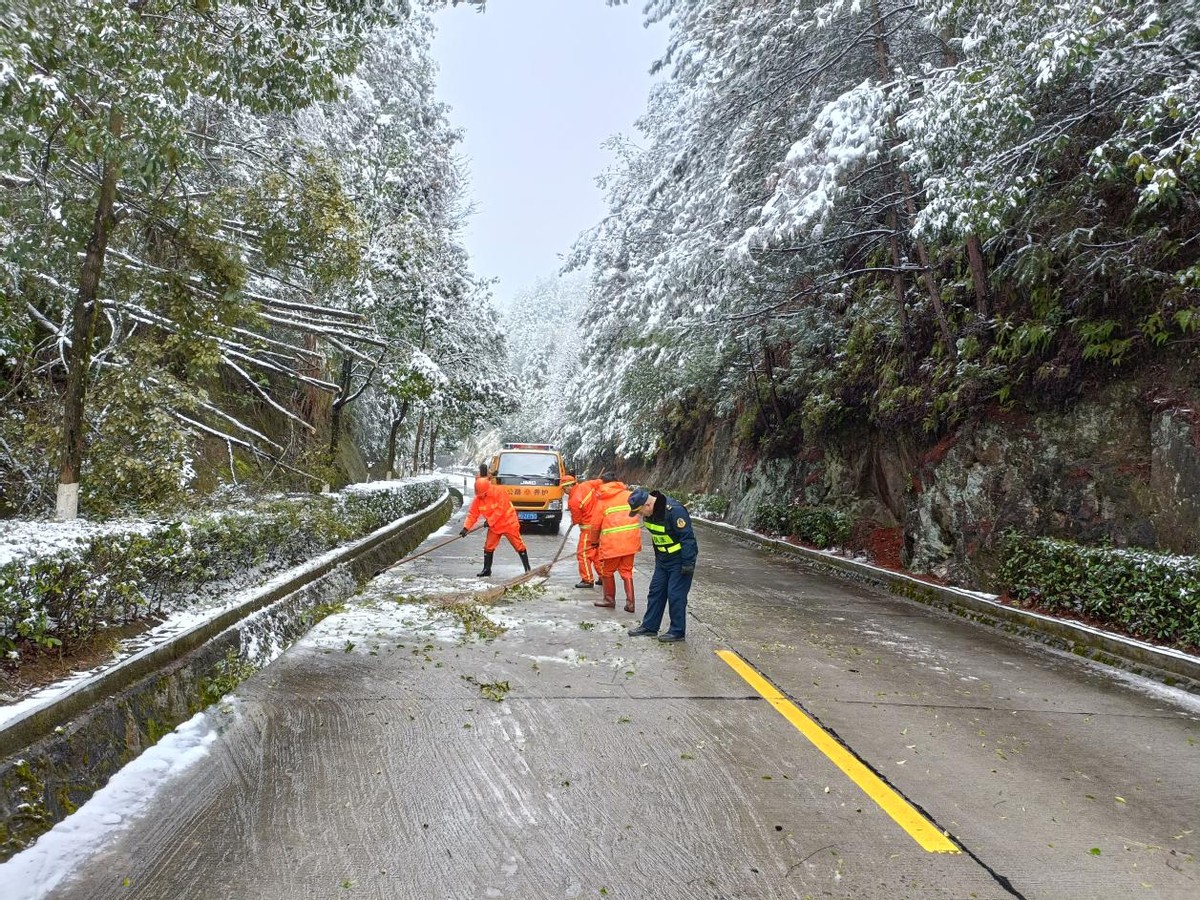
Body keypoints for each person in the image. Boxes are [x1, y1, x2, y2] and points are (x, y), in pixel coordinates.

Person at [625, 487, 698, 642]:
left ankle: (677, 632)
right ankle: (650, 627)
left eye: (639, 512)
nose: (639, 516)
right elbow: (658, 537)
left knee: (675, 595)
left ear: (647, 505)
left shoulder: (674, 511)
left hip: (680, 560)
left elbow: (688, 539)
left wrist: (688, 563)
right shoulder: (651, 514)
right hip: (663, 560)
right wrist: (659, 558)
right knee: (655, 591)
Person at [583, 472, 641, 612]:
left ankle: (609, 599)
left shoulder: (602, 500)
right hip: (630, 541)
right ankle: (630, 604)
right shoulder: (629, 495)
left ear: (603, 484)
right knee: (626, 571)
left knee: (607, 572)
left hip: (612, 544)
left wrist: (594, 542)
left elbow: (595, 525)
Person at [460, 462, 530, 576]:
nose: (481, 497)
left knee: (518, 545)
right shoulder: (478, 499)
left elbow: (501, 509)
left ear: (488, 489)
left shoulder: (499, 492)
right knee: (488, 546)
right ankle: (487, 570)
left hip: (508, 523)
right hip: (494, 526)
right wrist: (466, 527)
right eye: (479, 495)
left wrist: (490, 521)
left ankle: (527, 568)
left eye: (483, 494)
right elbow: (472, 514)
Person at [565, 473, 603, 588]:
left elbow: (577, 519)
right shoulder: (587, 484)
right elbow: (601, 482)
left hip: (588, 530)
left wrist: (574, 520)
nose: (564, 491)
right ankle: (604, 576)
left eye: (564, 488)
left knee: (583, 554)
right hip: (599, 526)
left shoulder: (573, 500)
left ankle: (587, 579)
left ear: (568, 486)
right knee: (596, 554)